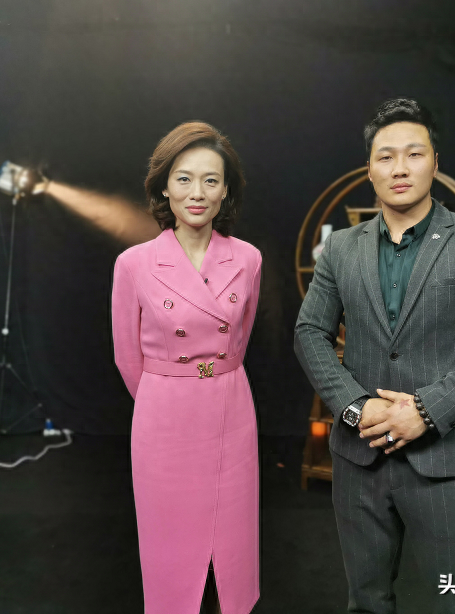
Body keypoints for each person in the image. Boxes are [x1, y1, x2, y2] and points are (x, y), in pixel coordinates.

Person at [294, 98, 455, 613]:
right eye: (386, 157)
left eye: (414, 154)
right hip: (360, 459)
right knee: (366, 602)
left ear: (435, 162)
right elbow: (309, 332)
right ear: (369, 169)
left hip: (448, 461)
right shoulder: (341, 248)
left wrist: (426, 410)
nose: (399, 168)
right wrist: (357, 407)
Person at [111, 122, 262, 614]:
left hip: (231, 408)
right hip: (164, 415)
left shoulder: (249, 258)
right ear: (163, 187)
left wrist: (213, 381)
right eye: (184, 178)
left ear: (226, 191)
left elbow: (239, 341)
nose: (197, 192)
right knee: (169, 539)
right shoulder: (133, 263)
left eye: (211, 180)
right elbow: (126, 357)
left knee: (233, 539)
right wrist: (165, 395)